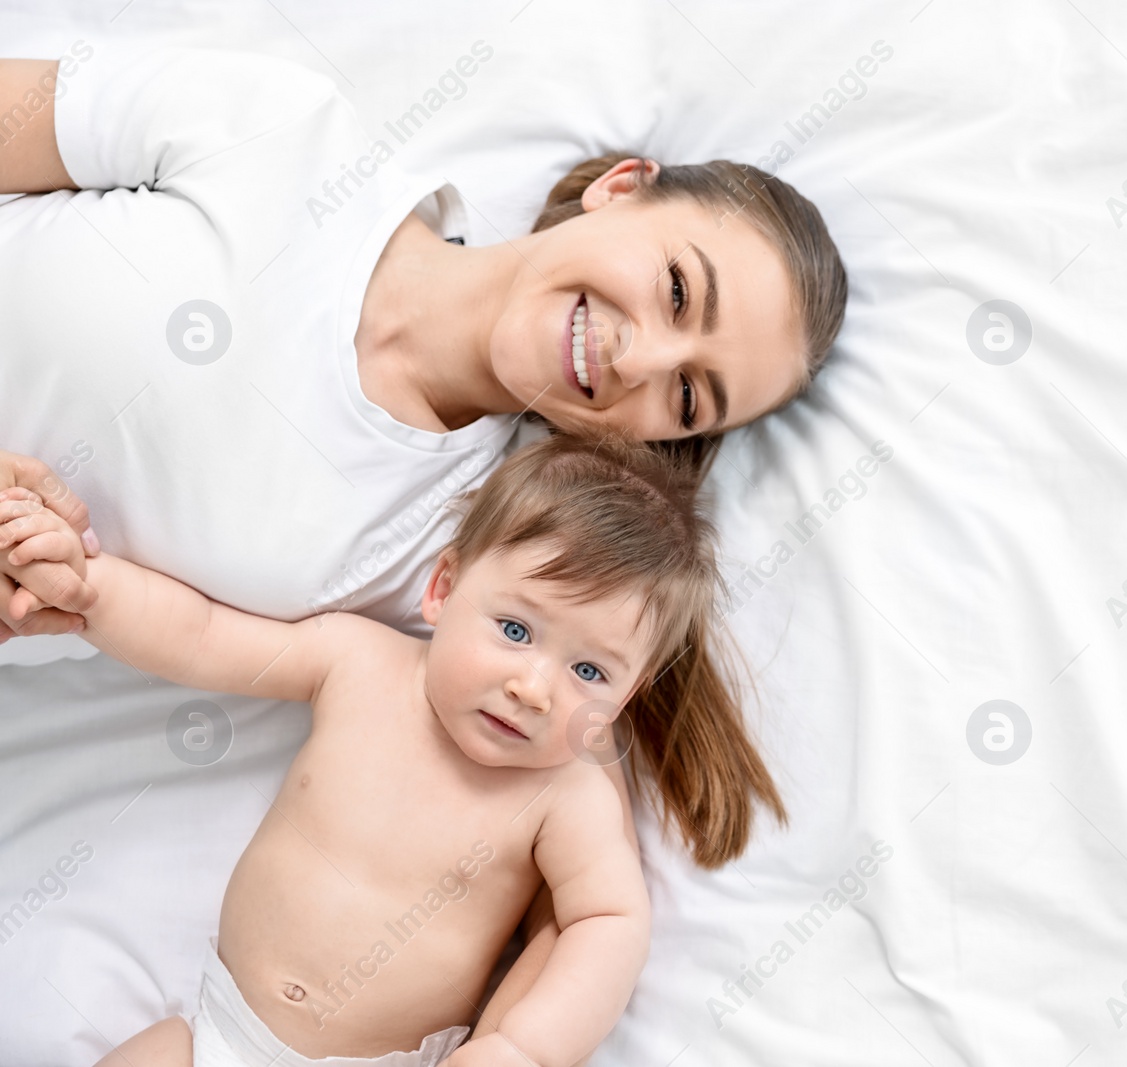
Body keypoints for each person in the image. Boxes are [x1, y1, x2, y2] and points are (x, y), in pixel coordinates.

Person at [0, 43, 848, 642]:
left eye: (690, 396)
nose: (639, 361)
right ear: (622, 191)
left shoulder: (437, 559)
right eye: (676, 291)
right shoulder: (284, 135)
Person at [0, 431, 786, 1067]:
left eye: (589, 670)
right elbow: (203, 636)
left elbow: (608, 920)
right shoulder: (360, 664)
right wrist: (91, 593)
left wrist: (521, 1046)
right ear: (443, 589)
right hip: (214, 1034)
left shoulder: (569, 794)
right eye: (515, 630)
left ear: (632, 692)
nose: (535, 688)